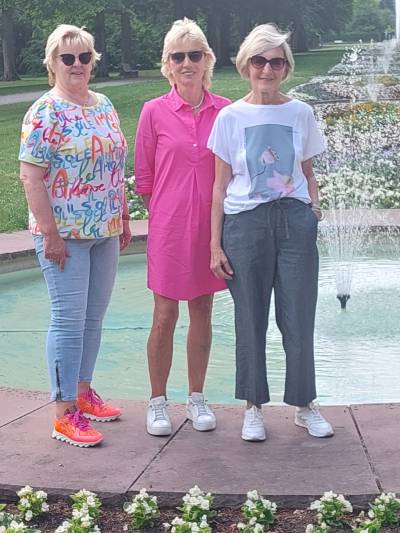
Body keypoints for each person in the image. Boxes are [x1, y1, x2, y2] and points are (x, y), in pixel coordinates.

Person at [208, 24, 334, 441]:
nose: (267, 69)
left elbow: (307, 171)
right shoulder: (230, 117)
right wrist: (215, 244)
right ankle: (253, 408)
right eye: (259, 61)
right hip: (245, 225)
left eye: (276, 62)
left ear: (286, 68)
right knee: (250, 316)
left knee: (298, 314)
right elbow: (219, 186)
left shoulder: (300, 113)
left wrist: (312, 210)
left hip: (294, 222)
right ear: (246, 65)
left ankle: (304, 404)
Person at [19, 24, 131, 447]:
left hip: (105, 230)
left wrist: (123, 214)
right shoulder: (45, 112)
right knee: (68, 321)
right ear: (52, 63)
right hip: (65, 235)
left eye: (85, 56)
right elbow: (31, 177)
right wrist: (50, 235)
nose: (77, 64)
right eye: (68, 58)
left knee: (93, 319)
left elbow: (115, 165)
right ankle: (63, 413)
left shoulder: (104, 105)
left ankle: (83, 392)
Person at [134, 18, 230, 436]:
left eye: (194, 54)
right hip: (169, 229)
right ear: (167, 64)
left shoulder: (225, 111)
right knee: (164, 315)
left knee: (203, 311)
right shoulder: (153, 112)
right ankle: (157, 401)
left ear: (207, 59)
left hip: (211, 230)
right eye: (178, 56)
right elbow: (144, 180)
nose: (186, 63)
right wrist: (168, 214)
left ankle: (196, 397)